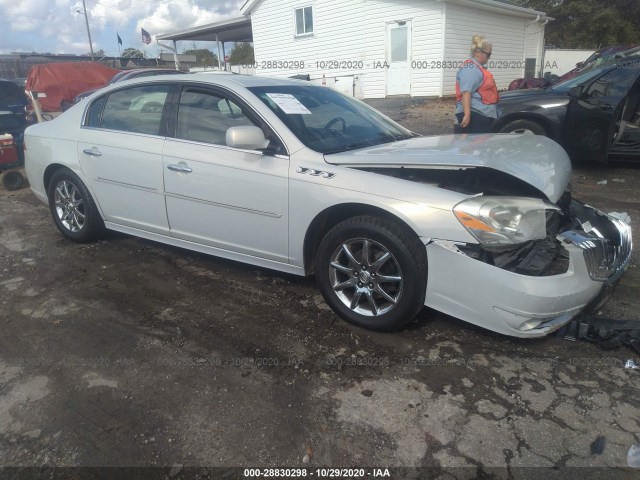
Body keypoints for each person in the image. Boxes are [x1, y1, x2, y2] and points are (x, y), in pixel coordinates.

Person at [454, 35, 499, 133]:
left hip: (479, 116)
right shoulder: (471, 69)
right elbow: (466, 92)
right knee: (472, 147)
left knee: (475, 147)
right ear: (478, 52)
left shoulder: (477, 68)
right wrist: (467, 115)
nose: (489, 57)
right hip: (475, 117)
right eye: (488, 54)